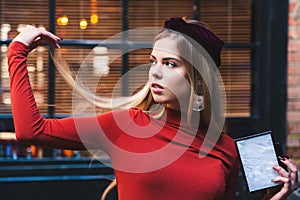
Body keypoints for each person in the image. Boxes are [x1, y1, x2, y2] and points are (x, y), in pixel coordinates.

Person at [7, 17, 298, 200]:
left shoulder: (227, 150)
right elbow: (31, 130)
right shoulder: (125, 126)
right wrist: (17, 51)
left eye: (169, 64)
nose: (154, 73)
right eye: (153, 61)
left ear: (198, 76)